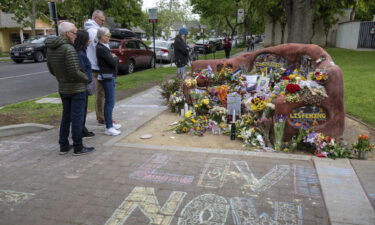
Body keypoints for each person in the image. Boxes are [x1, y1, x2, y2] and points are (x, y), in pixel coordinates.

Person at [46, 22, 95, 156]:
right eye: (74, 33)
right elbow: (74, 71)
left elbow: (51, 69)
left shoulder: (51, 48)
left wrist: (62, 78)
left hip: (63, 88)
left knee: (66, 117)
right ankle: (78, 147)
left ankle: (63, 146)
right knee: (77, 118)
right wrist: (87, 79)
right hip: (76, 89)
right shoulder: (68, 49)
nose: (76, 36)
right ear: (67, 34)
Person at [96, 27, 122, 136]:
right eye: (107, 36)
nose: (109, 38)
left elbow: (112, 59)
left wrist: (114, 57)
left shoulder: (104, 46)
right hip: (107, 77)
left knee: (111, 101)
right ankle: (109, 127)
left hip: (109, 76)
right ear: (101, 36)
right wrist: (115, 58)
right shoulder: (101, 48)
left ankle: (110, 123)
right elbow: (112, 62)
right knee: (109, 102)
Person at [84, 10, 106, 125]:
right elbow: (100, 50)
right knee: (100, 94)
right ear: (95, 18)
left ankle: (100, 115)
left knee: (92, 93)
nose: (103, 22)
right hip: (96, 68)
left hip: (90, 66)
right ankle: (101, 116)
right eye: (101, 20)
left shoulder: (87, 30)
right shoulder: (95, 32)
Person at [73, 30, 95, 139]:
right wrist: (88, 79)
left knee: (82, 110)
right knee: (81, 111)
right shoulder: (80, 54)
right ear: (83, 40)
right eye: (88, 39)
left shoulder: (81, 52)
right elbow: (82, 71)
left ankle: (82, 129)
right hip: (82, 86)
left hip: (82, 85)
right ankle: (80, 132)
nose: (90, 41)